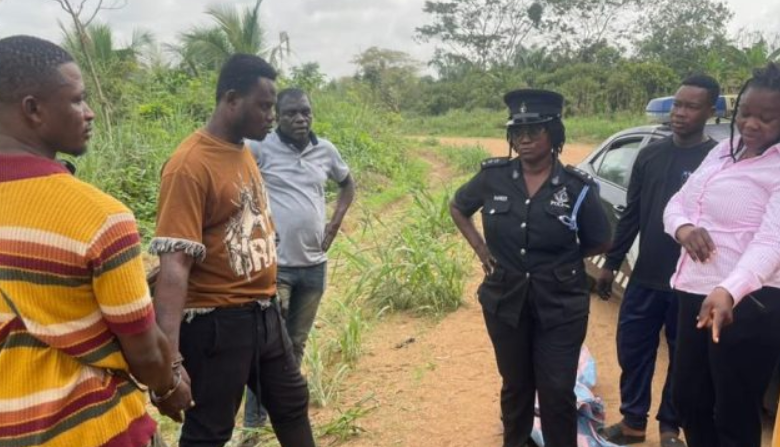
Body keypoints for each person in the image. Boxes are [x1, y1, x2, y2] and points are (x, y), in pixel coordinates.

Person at [0, 35, 191, 447]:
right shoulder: (98, 217)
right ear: (33, 109)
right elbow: (144, 351)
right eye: (77, 100)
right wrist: (169, 384)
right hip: (93, 430)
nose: (89, 113)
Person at [150, 54, 315, 447]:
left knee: (292, 403)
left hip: (264, 312)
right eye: (264, 106)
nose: (271, 116)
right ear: (231, 99)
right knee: (210, 430)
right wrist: (169, 362)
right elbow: (174, 265)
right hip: (217, 324)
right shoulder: (189, 165)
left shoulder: (242, 150)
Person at [450, 89, 611, 447]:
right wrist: (481, 249)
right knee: (516, 385)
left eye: (534, 130)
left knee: (556, 389)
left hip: (561, 304)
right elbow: (458, 206)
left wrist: (562, 258)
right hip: (505, 300)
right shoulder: (492, 178)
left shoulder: (576, 188)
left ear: (553, 133)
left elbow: (600, 240)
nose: (523, 139)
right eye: (517, 131)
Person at [596, 75, 721, 447]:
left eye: (691, 107)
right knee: (633, 349)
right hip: (646, 276)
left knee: (682, 358)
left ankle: (670, 427)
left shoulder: (716, 161)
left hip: (692, 282)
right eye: (677, 105)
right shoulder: (650, 154)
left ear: (709, 111)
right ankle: (633, 423)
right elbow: (632, 213)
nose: (680, 113)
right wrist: (611, 263)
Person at [663, 62, 780, 447]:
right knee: (687, 398)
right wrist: (684, 229)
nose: (751, 124)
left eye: (766, 118)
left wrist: (729, 289)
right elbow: (677, 204)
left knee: (734, 412)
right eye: (745, 113)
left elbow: (772, 242)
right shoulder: (722, 152)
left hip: (749, 303)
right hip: (695, 293)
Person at [242, 88, 355, 434]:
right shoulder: (260, 147)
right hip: (277, 267)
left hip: (314, 267)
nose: (300, 119)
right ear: (277, 115)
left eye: (305, 112)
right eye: (291, 113)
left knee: (296, 343)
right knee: (268, 345)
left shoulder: (326, 150)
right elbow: (234, 177)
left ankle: (285, 411)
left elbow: (347, 185)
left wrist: (334, 224)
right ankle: (254, 423)